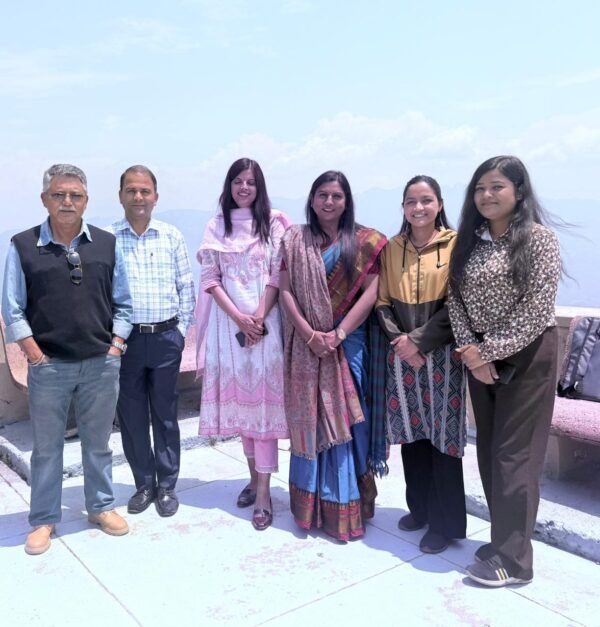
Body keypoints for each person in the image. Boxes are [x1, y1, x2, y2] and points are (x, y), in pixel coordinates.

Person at [1, 163, 133, 555]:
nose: (67, 202)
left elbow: (124, 302)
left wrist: (116, 346)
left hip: (100, 364)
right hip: (49, 367)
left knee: (99, 443)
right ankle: (44, 519)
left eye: (75, 195)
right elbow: (12, 308)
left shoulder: (106, 244)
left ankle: (101, 506)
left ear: (86, 201)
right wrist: (34, 354)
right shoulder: (23, 245)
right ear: (45, 199)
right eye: (58, 194)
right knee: (46, 449)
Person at [447, 155, 562, 587]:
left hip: (528, 357)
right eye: (480, 188)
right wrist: (472, 353)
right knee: (490, 452)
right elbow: (454, 299)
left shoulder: (538, 240)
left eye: (496, 186)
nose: (486, 195)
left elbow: (537, 308)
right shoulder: (471, 241)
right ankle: (503, 540)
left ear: (518, 191)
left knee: (516, 456)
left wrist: (486, 353)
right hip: (480, 358)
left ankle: (515, 562)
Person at [279, 170, 387, 541]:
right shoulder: (295, 239)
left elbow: (372, 292)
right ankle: (311, 508)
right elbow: (285, 291)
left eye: (336, 196)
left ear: (346, 201)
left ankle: (347, 504)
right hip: (306, 345)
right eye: (322, 195)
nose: (329, 202)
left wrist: (338, 334)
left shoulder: (365, 241)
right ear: (312, 200)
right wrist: (310, 335)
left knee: (350, 424)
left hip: (348, 342)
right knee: (310, 420)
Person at [196, 158, 289, 531]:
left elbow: (278, 273)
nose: (244, 187)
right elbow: (210, 278)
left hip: (267, 330)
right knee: (243, 412)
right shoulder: (216, 226)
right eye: (238, 181)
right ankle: (253, 479)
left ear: (259, 186)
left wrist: (258, 318)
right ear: (229, 185)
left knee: (264, 412)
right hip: (229, 331)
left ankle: (264, 493)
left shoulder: (275, 223)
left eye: (251, 181)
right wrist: (239, 318)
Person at [375, 175, 467, 554]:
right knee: (412, 435)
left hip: (443, 355)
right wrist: (401, 341)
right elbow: (382, 301)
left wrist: (419, 341)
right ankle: (420, 509)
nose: (419, 208)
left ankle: (445, 524)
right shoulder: (391, 248)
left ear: (439, 204)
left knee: (443, 438)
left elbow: (458, 303)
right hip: (401, 358)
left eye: (426, 200)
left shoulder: (457, 244)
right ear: (403, 207)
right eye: (411, 201)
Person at [108, 165, 195, 518]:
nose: (138, 197)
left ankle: (167, 485)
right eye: (131, 190)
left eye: (145, 191)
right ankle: (144, 484)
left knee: (165, 415)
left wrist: (181, 332)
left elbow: (186, 286)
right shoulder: (108, 239)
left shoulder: (171, 236)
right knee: (131, 416)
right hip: (126, 342)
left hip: (165, 339)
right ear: (121, 196)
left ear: (155, 197)